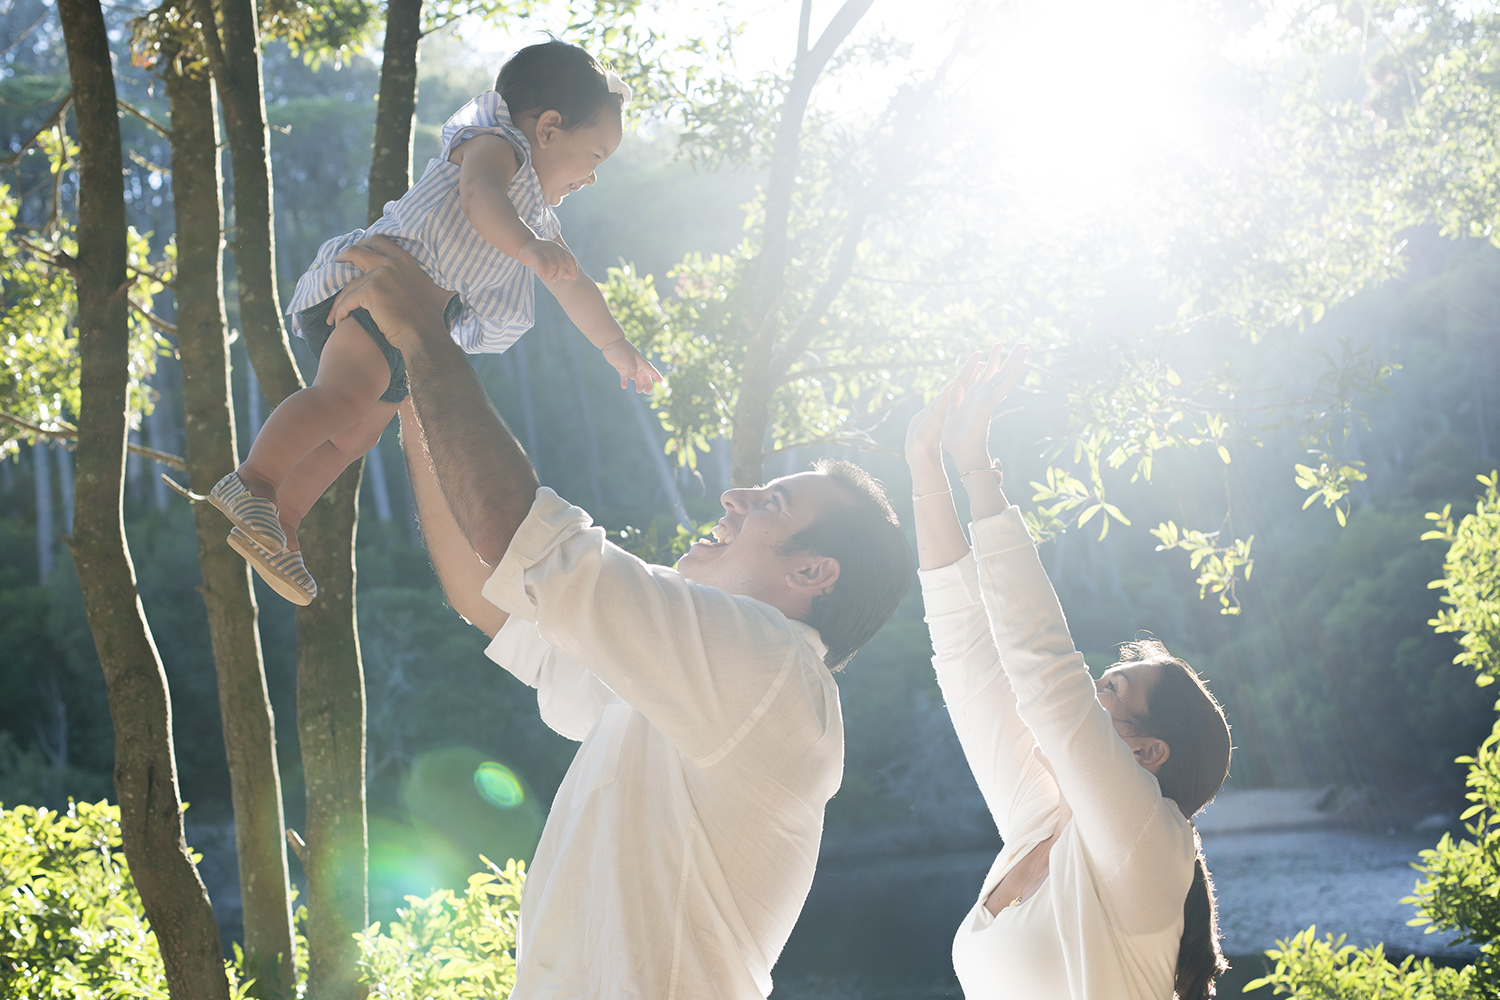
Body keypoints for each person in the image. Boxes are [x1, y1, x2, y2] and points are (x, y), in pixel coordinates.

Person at [322, 235, 916, 999]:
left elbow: (516, 533)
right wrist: (413, 394)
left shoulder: (770, 667)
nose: (734, 498)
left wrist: (426, 337)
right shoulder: (692, 673)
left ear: (812, 572)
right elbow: (496, 596)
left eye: (772, 503)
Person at [208, 40, 661, 605]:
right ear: (547, 128)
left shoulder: (538, 215)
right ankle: (254, 480)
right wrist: (527, 248)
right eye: (595, 155)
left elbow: (574, 283)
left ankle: (281, 524)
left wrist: (615, 345)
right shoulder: (497, 148)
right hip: (378, 288)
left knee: (356, 433)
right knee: (343, 397)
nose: (593, 177)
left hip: (415, 324)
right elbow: (478, 198)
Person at [905, 345, 1233, 1000]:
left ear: (1145, 752)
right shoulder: (1045, 819)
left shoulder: (1151, 840)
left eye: (1107, 688)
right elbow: (968, 649)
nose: (1086, 693)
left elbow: (1045, 672)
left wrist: (978, 469)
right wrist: (923, 464)